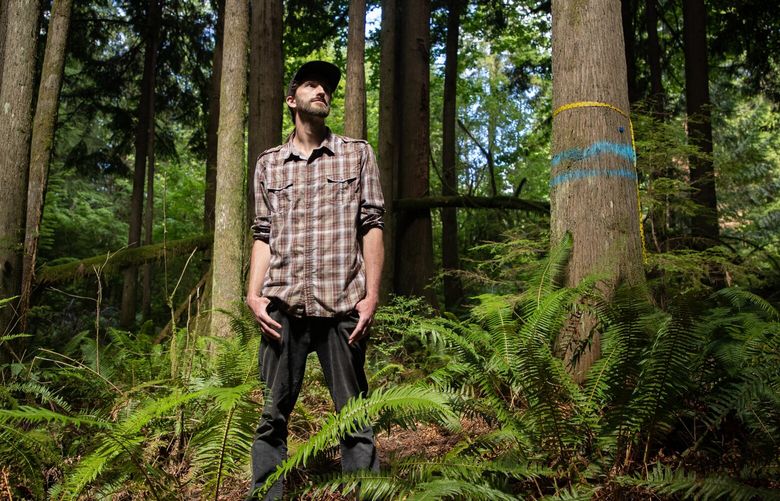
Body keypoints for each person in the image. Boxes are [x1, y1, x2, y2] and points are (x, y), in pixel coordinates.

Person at [245, 60, 384, 500]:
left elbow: (372, 225)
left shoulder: (356, 153)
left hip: (343, 305)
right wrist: (253, 293)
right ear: (292, 100)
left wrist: (372, 295)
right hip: (283, 310)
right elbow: (263, 234)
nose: (322, 90)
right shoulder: (269, 165)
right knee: (271, 415)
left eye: (326, 86)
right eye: (311, 84)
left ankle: (364, 492)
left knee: (354, 416)